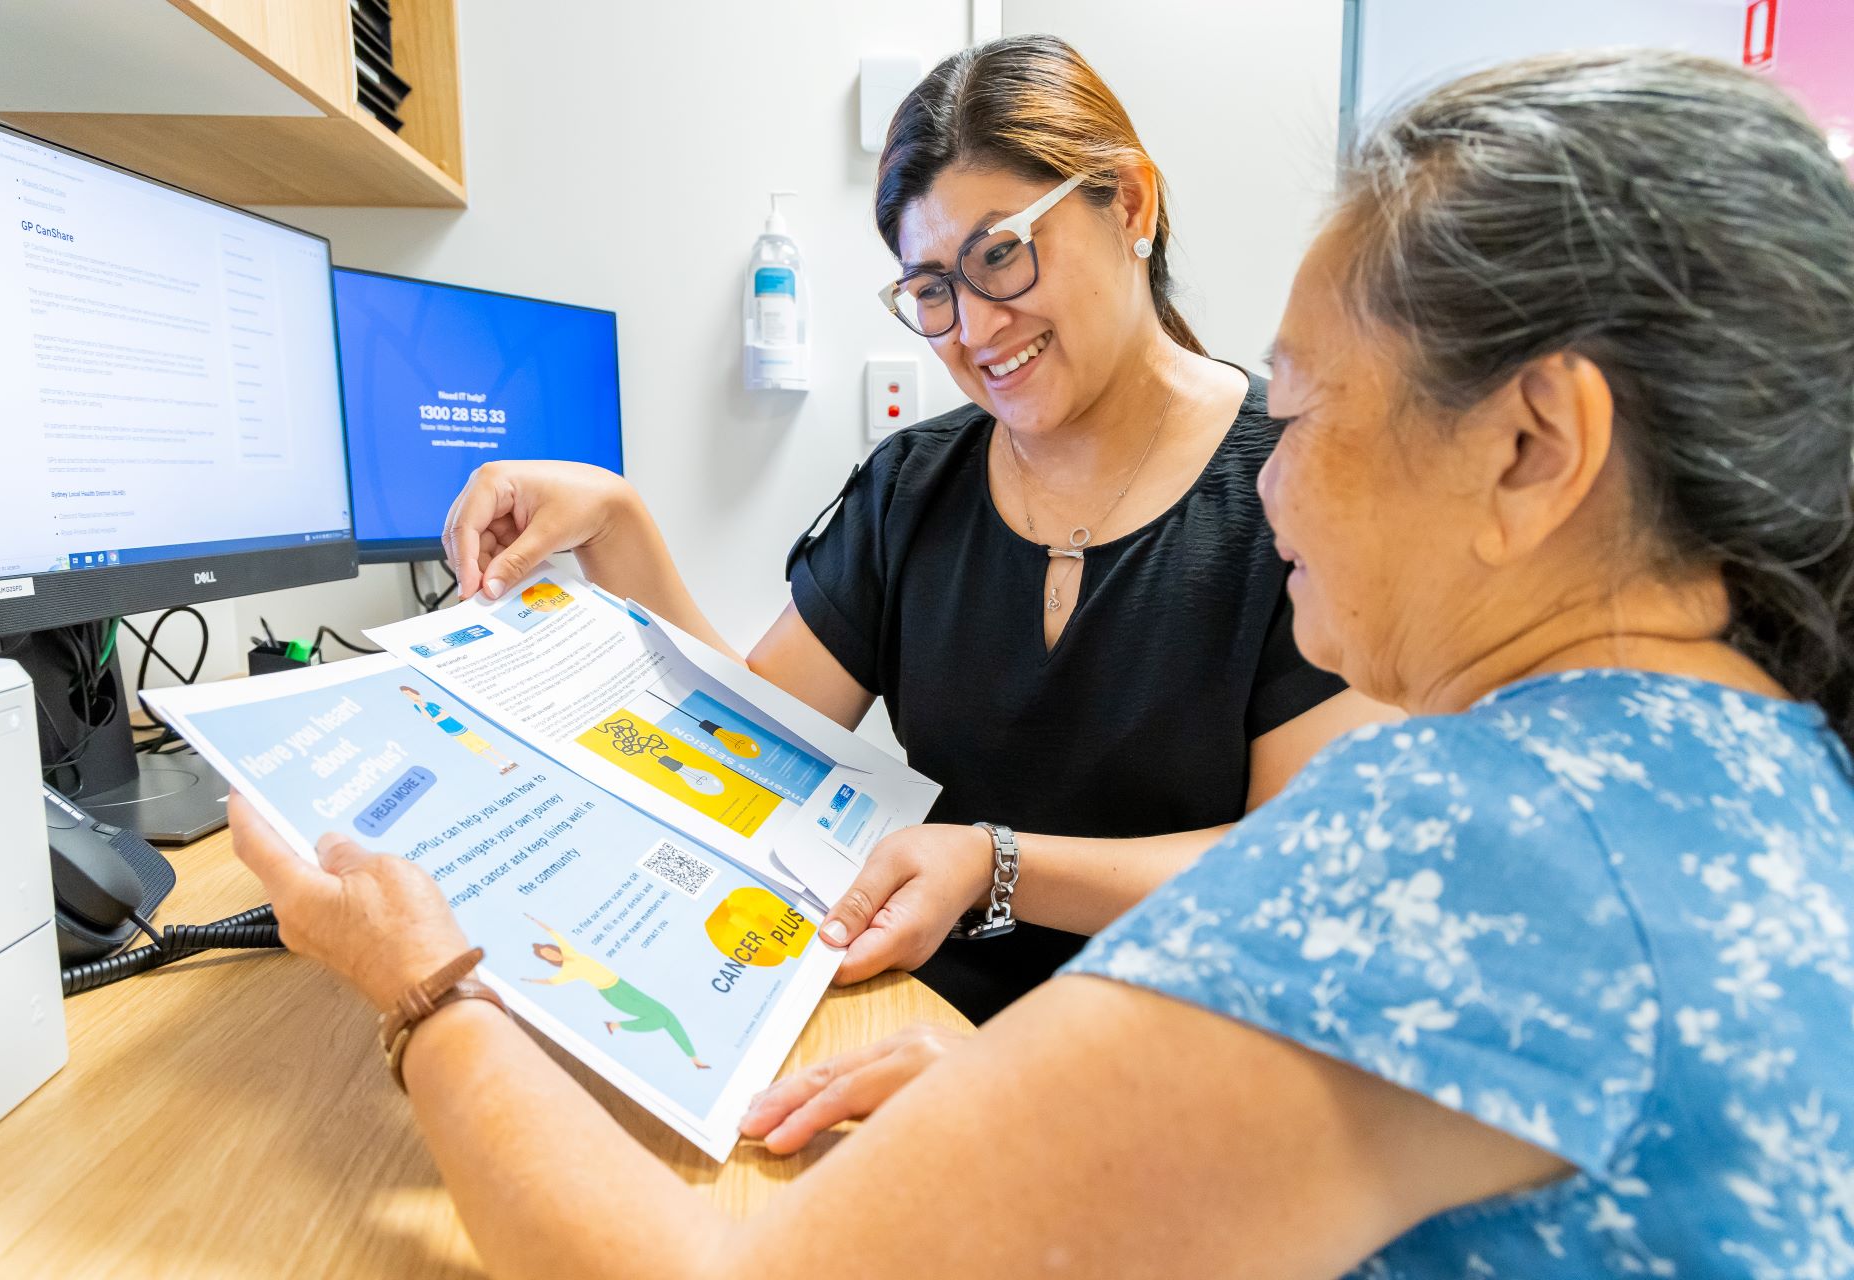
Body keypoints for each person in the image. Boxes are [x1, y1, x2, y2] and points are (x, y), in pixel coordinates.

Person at [232, 49, 1854, 1276]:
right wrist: (1032, 1092)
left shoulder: (1478, 835)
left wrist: (424, 989)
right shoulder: (1740, 768)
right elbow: (748, 732)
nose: (1273, 481)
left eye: (1299, 409)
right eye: (928, 290)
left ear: (1536, 446)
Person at [439, 35, 1386, 1022]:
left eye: (1002, 256)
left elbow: (1299, 863)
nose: (974, 329)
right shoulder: (910, 491)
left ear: (1130, 203)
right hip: (912, 1028)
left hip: (1179, 1062)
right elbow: (748, 751)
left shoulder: (1304, 482)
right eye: (932, 290)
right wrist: (616, 522)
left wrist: (994, 863)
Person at [523, 914, 709, 1070]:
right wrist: (529, 980)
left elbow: (552, 933)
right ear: (549, 960)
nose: (551, 954)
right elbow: (551, 982)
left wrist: (533, 919)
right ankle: (616, 1025)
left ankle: (694, 1059)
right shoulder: (566, 972)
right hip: (612, 993)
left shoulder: (570, 951)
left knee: (667, 1014)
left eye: (550, 950)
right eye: (547, 956)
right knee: (659, 1019)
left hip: (622, 984)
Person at [400, 684, 520, 775]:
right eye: (406, 695)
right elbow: (429, 718)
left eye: (409, 693)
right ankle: (501, 767)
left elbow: (445, 714)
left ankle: (509, 761)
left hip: (459, 726)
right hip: (451, 732)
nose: (409, 696)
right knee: (478, 750)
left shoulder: (432, 704)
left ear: (416, 692)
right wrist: (422, 707)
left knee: (485, 745)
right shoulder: (418, 707)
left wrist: (436, 719)